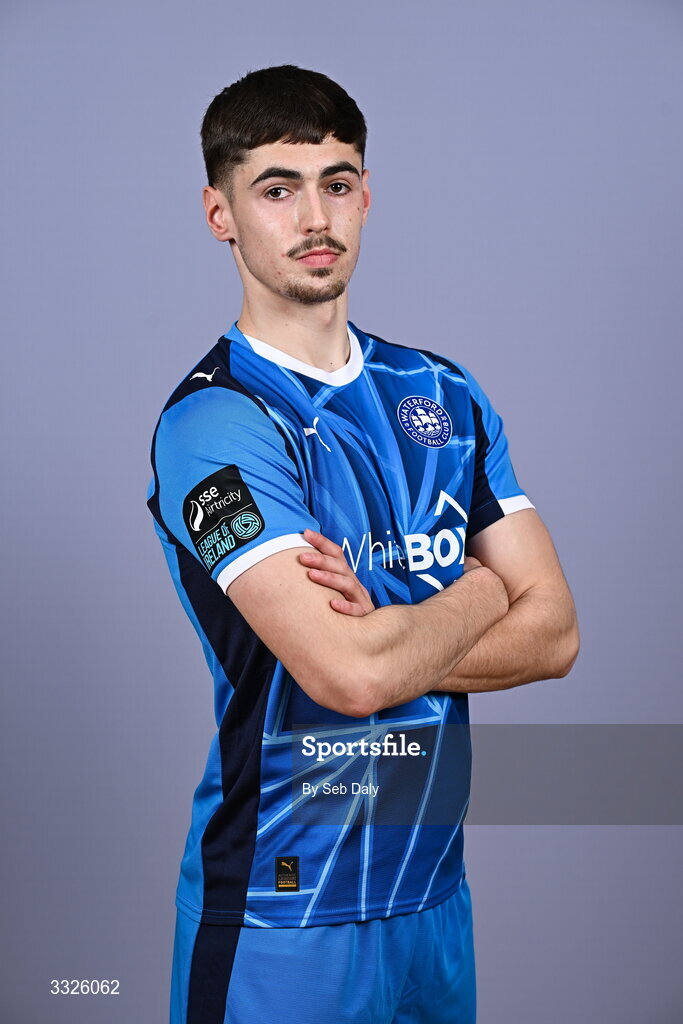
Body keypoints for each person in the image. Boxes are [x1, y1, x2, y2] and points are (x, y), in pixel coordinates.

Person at [146, 63, 579, 1024]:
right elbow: (345, 676)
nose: (314, 218)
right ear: (220, 213)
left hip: (430, 899)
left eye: (336, 184)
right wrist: (470, 594)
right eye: (276, 188)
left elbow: (554, 635)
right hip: (282, 911)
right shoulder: (213, 425)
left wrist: (385, 632)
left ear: (366, 197)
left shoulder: (444, 395)